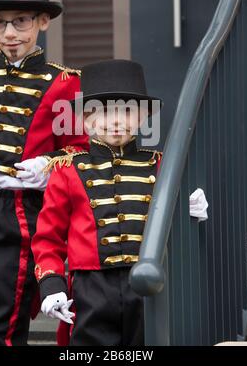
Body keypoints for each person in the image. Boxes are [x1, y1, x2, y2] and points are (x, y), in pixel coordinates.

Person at [0, 0, 88, 346]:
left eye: (21, 21)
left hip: (15, 210)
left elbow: (79, 149)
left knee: (1, 319)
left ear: (43, 21)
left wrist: (48, 166)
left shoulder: (66, 83)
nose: (10, 33)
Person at [32, 59, 164, 346]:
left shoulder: (160, 165)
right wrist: (52, 283)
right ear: (87, 119)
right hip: (90, 289)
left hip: (147, 284)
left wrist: (191, 210)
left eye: (127, 111)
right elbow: (47, 238)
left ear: (142, 116)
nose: (116, 121)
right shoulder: (67, 169)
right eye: (104, 112)